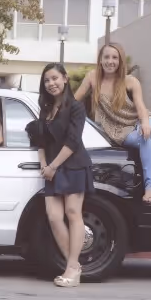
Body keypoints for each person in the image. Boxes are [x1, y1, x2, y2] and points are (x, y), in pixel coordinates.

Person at [74, 42, 151, 214]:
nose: (110, 61)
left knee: (147, 135)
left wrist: (145, 123)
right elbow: (74, 100)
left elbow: (140, 107)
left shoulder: (130, 81)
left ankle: (150, 190)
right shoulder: (93, 77)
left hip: (146, 121)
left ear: (120, 60)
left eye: (114, 57)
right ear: (100, 60)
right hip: (120, 129)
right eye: (106, 57)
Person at [26, 63, 94, 288]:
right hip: (52, 167)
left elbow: (73, 142)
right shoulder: (45, 108)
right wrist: (45, 165)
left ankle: (72, 270)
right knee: (54, 217)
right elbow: (41, 141)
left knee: (73, 213)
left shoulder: (76, 107)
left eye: (55, 78)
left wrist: (53, 166)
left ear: (65, 79)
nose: (51, 83)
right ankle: (73, 266)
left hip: (72, 165)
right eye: (47, 80)